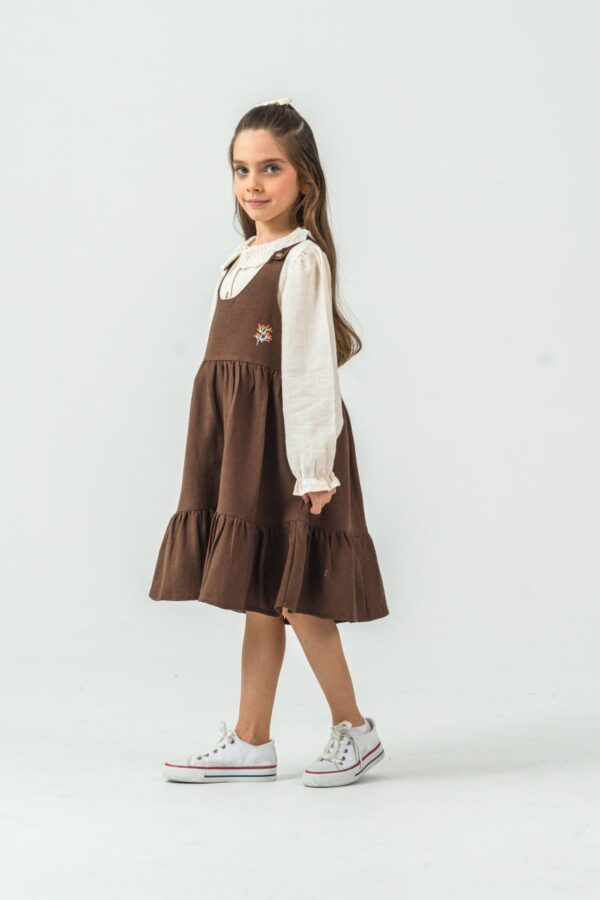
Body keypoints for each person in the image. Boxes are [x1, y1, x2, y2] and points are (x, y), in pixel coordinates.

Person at [149, 96, 389, 788]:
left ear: (304, 179)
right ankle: (252, 740)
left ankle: (356, 729)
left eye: (270, 168)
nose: (253, 183)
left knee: (298, 596)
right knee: (262, 594)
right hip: (244, 452)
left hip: (288, 453)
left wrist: (314, 469)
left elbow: (309, 371)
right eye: (241, 169)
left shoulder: (300, 260)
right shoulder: (242, 258)